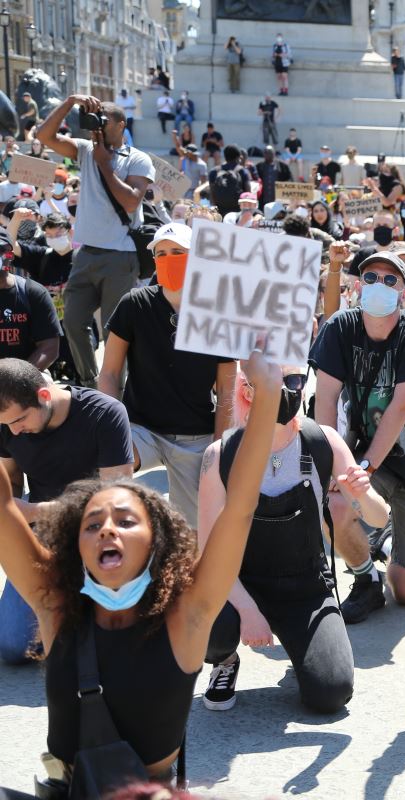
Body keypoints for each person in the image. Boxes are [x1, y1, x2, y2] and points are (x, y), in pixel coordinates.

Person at [0, 348, 277, 790]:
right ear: (78, 546)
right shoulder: (56, 605)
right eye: (93, 523)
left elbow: (239, 506)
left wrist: (268, 394)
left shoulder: (188, 613)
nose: (107, 528)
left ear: (156, 543)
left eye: (126, 521)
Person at [198, 364, 389, 713]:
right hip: (239, 585)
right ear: (247, 391)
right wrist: (248, 610)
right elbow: (208, 556)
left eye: (293, 380)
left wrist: (367, 496)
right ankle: (224, 662)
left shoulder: (322, 442)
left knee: (331, 692)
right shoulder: (221, 455)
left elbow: (377, 518)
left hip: (305, 590)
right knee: (205, 619)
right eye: (271, 380)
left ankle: (308, 653)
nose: (286, 390)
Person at [309, 247, 405, 620]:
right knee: (334, 504)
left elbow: (400, 409)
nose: (379, 285)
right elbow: (324, 401)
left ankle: (385, 538)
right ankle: (365, 578)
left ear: (404, 294)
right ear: (357, 286)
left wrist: (365, 467)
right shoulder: (340, 327)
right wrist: (334, 467)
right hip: (370, 458)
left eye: (390, 280)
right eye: (370, 277)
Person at [98, 223, 236, 529]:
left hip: (195, 435)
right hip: (140, 428)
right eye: (161, 253)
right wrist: (108, 427)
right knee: (107, 473)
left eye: (177, 252)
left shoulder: (216, 311)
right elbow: (108, 372)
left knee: (197, 529)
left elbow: (227, 389)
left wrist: (219, 447)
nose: (168, 258)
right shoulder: (134, 304)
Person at [0, 359, 134, 666]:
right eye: (6, 425)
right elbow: (12, 480)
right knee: (12, 645)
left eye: (19, 420)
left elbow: (117, 500)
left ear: (44, 396)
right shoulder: (8, 424)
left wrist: (33, 511)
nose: (14, 431)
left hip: (102, 534)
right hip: (45, 535)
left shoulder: (105, 414)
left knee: (115, 640)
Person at [34, 95, 154, 389]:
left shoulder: (137, 158)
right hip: (86, 254)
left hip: (120, 257)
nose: (95, 127)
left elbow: (131, 202)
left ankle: (117, 390)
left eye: (103, 121)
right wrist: (69, 101)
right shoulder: (86, 150)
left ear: (121, 125)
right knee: (73, 322)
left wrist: (105, 166)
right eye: (92, 120)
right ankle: (90, 382)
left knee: (116, 332)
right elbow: (43, 136)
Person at [0, 224, 61, 369]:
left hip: (25, 378)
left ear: (10, 255)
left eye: (0, 250)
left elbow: (49, 347)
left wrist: (18, 379)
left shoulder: (33, 292)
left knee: (47, 385)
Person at [208, 145, 252, 218]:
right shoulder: (242, 171)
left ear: (225, 156)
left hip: (220, 211)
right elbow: (248, 193)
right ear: (238, 157)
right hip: (237, 212)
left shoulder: (214, 171)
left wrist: (215, 211)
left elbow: (211, 191)